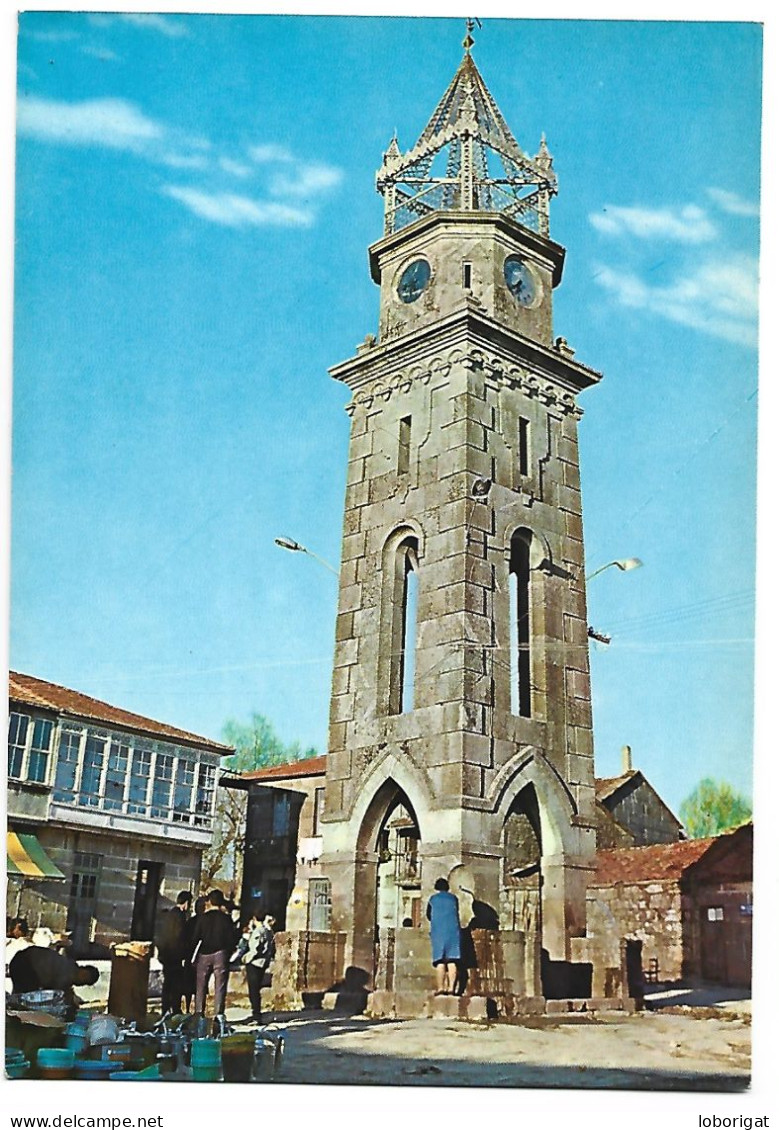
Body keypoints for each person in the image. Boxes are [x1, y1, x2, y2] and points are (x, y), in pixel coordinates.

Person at [190, 889, 238, 1017]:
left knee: (200, 986)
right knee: (220, 986)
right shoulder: (226, 919)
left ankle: (199, 1013)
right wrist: (229, 952)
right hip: (221, 954)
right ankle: (218, 1015)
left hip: (204, 954)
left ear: (209, 901)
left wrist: (190, 956)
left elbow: (195, 938)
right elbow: (232, 938)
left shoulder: (202, 918)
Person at [9, 945, 99, 1002]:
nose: (82, 979)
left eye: (85, 981)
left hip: (24, 961)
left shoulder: (69, 966)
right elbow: (56, 991)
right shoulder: (69, 970)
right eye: (84, 976)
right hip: (26, 965)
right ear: (82, 968)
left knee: (19, 998)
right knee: (23, 1001)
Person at [156, 890, 192, 1015]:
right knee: (176, 985)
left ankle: (165, 1009)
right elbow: (181, 936)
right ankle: (175, 1009)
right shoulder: (180, 917)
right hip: (176, 956)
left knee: (167, 984)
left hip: (166, 955)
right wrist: (184, 954)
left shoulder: (169, 915)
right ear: (186, 903)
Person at [426, 877, 461, 996]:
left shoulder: (433, 899)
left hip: (438, 932)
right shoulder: (454, 898)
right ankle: (452, 988)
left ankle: (441, 988)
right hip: (453, 932)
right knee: (452, 960)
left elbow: (428, 915)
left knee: (440, 961)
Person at [240, 910, 276, 1023]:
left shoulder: (258, 931)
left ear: (255, 919)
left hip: (255, 963)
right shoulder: (268, 931)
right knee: (256, 989)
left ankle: (256, 1014)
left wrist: (246, 958)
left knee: (253, 990)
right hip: (263, 962)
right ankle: (257, 1013)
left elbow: (255, 949)